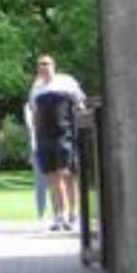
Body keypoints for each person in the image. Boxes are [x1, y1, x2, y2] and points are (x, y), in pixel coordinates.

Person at [27, 53, 85, 232]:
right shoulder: (36, 88)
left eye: (46, 64)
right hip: (45, 137)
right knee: (52, 178)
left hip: (64, 135)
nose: (43, 67)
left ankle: (73, 215)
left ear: (54, 65)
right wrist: (35, 140)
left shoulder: (66, 82)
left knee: (68, 175)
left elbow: (80, 104)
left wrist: (79, 131)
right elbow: (34, 113)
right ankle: (59, 215)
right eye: (40, 65)